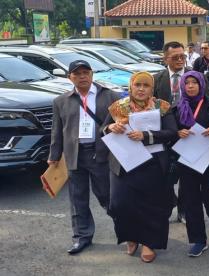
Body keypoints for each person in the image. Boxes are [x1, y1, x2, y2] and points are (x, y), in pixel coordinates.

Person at [104, 72, 178, 263]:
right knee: (120, 203)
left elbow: (171, 132)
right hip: (124, 162)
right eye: (138, 85)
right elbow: (102, 129)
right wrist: (110, 128)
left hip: (153, 163)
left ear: (152, 89)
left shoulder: (162, 107)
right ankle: (131, 236)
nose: (141, 89)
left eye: (146, 86)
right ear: (131, 87)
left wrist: (146, 135)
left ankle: (149, 243)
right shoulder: (119, 107)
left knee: (153, 205)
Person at [48, 60, 120, 255]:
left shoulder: (109, 96)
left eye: (85, 72)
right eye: (77, 73)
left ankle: (125, 230)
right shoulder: (61, 101)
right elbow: (57, 131)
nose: (82, 76)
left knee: (107, 195)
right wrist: (54, 156)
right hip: (74, 154)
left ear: (92, 74)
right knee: (77, 198)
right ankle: (82, 237)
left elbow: (120, 122)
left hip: (101, 152)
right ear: (69, 77)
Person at [172, 71, 209, 257]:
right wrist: (178, 133)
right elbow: (169, 132)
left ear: (202, 84)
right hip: (186, 163)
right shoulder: (177, 108)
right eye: (187, 83)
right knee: (191, 202)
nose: (191, 86)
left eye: (195, 82)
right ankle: (198, 240)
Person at [153, 41, 189, 223]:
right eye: (175, 57)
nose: (180, 60)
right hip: (165, 133)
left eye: (182, 56)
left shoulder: (194, 76)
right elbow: (151, 105)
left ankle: (183, 209)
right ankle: (169, 204)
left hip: (188, 133)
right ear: (165, 58)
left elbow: (204, 103)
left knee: (186, 175)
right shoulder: (156, 79)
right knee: (164, 173)